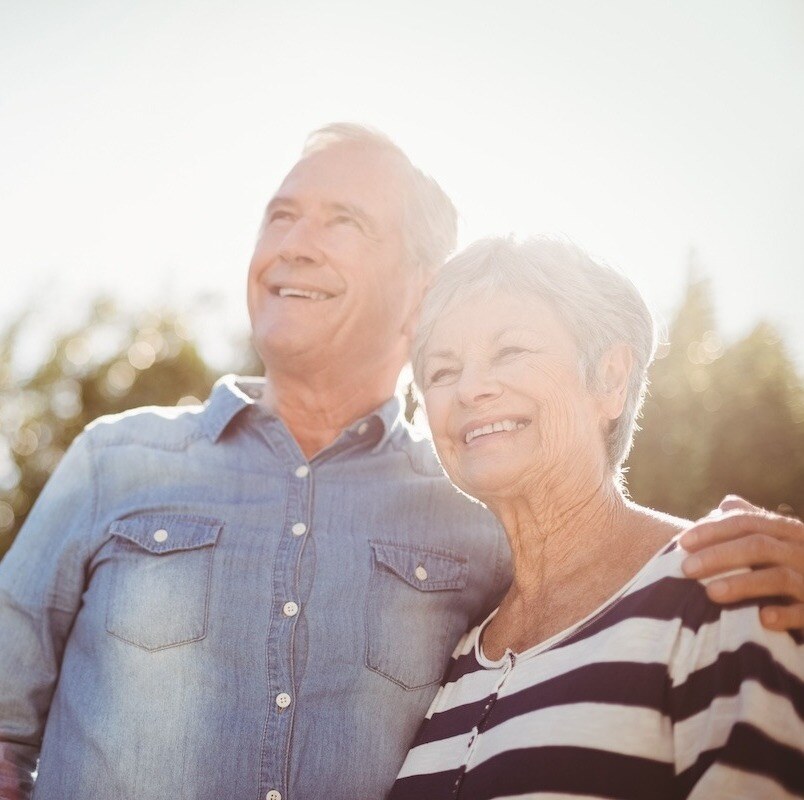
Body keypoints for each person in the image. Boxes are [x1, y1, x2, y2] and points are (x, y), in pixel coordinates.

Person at [0, 125, 801, 800]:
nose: (292, 245)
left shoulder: (488, 523)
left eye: (341, 220)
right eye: (279, 216)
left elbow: (606, 581)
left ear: (422, 290)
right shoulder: (116, 461)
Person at [390, 236, 804, 799]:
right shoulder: (458, 656)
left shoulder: (722, 588)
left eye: (510, 352)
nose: (470, 389)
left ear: (609, 379)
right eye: (442, 371)